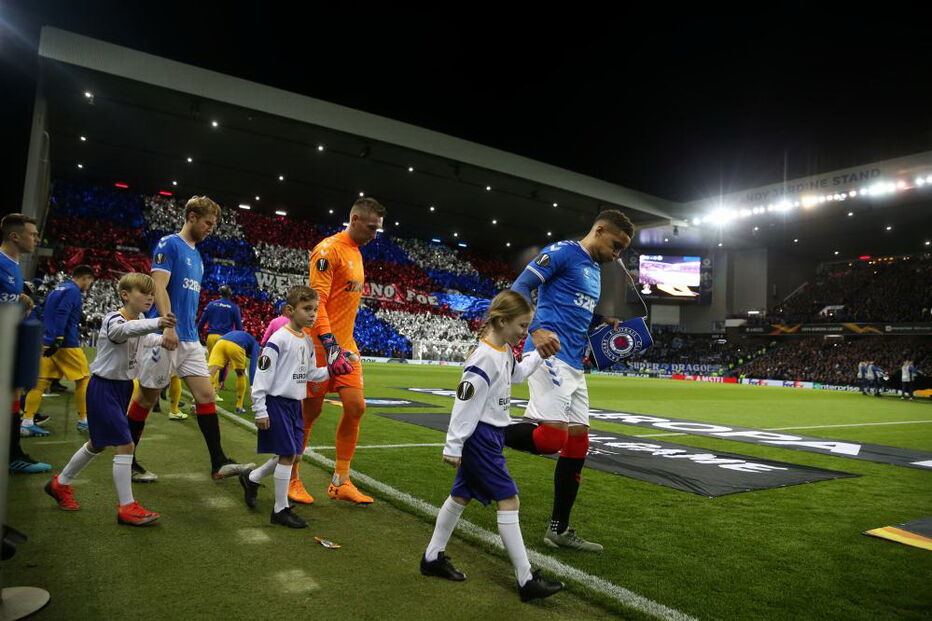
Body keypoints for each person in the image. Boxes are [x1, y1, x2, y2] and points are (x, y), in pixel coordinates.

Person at [420, 291, 564, 602]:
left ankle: (432, 557)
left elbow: (518, 374)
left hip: (491, 435)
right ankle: (526, 579)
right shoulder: (484, 357)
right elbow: (464, 402)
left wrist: (539, 354)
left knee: (460, 496)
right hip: (481, 438)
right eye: (522, 326)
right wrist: (453, 445)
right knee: (509, 500)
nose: (525, 332)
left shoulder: (503, 351)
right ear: (501, 322)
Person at [507, 209, 634, 552]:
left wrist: (602, 320)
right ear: (599, 229)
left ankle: (558, 530)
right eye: (615, 245)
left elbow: (576, 309)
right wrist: (535, 329)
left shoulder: (594, 270)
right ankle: (486, 432)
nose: (617, 254)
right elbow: (520, 287)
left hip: (576, 364)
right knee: (552, 439)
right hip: (549, 356)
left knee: (578, 442)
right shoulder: (562, 252)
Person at [127, 196, 252, 482]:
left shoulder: (197, 256)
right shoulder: (169, 244)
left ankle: (218, 462)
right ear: (192, 217)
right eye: (208, 223)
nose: (211, 229)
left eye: (213, 224)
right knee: (146, 398)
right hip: (165, 336)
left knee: (206, 396)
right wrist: (168, 326)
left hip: (191, 339)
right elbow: (158, 287)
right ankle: (128, 460)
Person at [44, 273, 175, 525]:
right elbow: (123, 332)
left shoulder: (140, 320)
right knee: (125, 445)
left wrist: (163, 338)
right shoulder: (114, 319)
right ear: (125, 295)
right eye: (143, 292)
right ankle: (127, 507)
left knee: (97, 444)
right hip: (104, 388)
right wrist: (159, 322)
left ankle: (59, 484)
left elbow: (143, 337)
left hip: (121, 388)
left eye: (151, 293)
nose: (150, 297)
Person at [290, 197, 386, 505]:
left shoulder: (356, 252)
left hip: (346, 346)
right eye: (371, 227)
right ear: (354, 219)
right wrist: (330, 345)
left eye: (377, 229)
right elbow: (316, 303)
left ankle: (340, 481)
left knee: (356, 406)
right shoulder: (328, 250)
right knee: (309, 413)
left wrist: (340, 346)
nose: (374, 234)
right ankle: (291, 477)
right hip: (321, 347)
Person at [239, 286, 350, 528]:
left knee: (295, 455)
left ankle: (253, 478)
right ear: (290, 310)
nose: (313, 314)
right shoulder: (278, 339)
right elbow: (262, 376)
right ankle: (280, 510)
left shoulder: (307, 341)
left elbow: (311, 374)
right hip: (276, 402)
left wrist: (332, 370)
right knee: (288, 455)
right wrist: (260, 410)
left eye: (315, 309)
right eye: (307, 309)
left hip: (294, 405)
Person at [1, 213, 50, 474]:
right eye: (32, 234)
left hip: (10, 341)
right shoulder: (1, 263)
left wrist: (20, 298)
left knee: (15, 391)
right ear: (14, 236)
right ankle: (12, 456)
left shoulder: (13, 266)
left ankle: (13, 453)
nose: (37, 239)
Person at [22, 265, 96, 436]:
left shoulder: (57, 289)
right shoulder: (73, 291)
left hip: (46, 341)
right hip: (66, 343)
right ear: (85, 277)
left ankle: (26, 422)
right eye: (90, 281)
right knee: (83, 379)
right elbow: (62, 312)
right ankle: (84, 420)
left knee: (39, 382)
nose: (89, 285)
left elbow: (45, 312)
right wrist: (60, 337)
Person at [197, 284, 243, 395]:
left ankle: (205, 386)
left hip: (211, 336)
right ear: (230, 294)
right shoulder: (234, 307)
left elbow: (202, 322)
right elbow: (239, 327)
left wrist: (198, 334)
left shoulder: (211, 304)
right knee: (219, 364)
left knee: (211, 363)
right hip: (225, 338)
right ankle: (214, 389)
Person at [207, 329, 260, 414]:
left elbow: (224, 365)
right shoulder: (256, 345)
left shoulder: (243, 336)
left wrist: (221, 380)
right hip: (235, 345)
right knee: (240, 374)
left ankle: (197, 400)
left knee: (211, 372)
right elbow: (253, 366)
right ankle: (239, 407)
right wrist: (252, 386)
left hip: (220, 342)